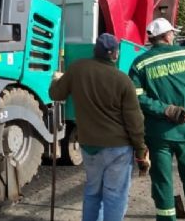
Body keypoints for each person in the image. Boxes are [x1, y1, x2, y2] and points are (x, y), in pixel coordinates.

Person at [49, 33, 149, 221]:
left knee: (92, 192)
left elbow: (56, 93)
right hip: (118, 149)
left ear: (95, 50)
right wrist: (141, 149)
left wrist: (56, 79)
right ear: (115, 55)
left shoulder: (77, 68)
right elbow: (134, 121)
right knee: (114, 196)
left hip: (89, 146)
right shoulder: (122, 80)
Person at [129, 18, 185, 221]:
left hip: (159, 134)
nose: (174, 35)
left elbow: (137, 98)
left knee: (162, 183)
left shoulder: (139, 63)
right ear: (167, 36)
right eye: (172, 33)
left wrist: (165, 109)